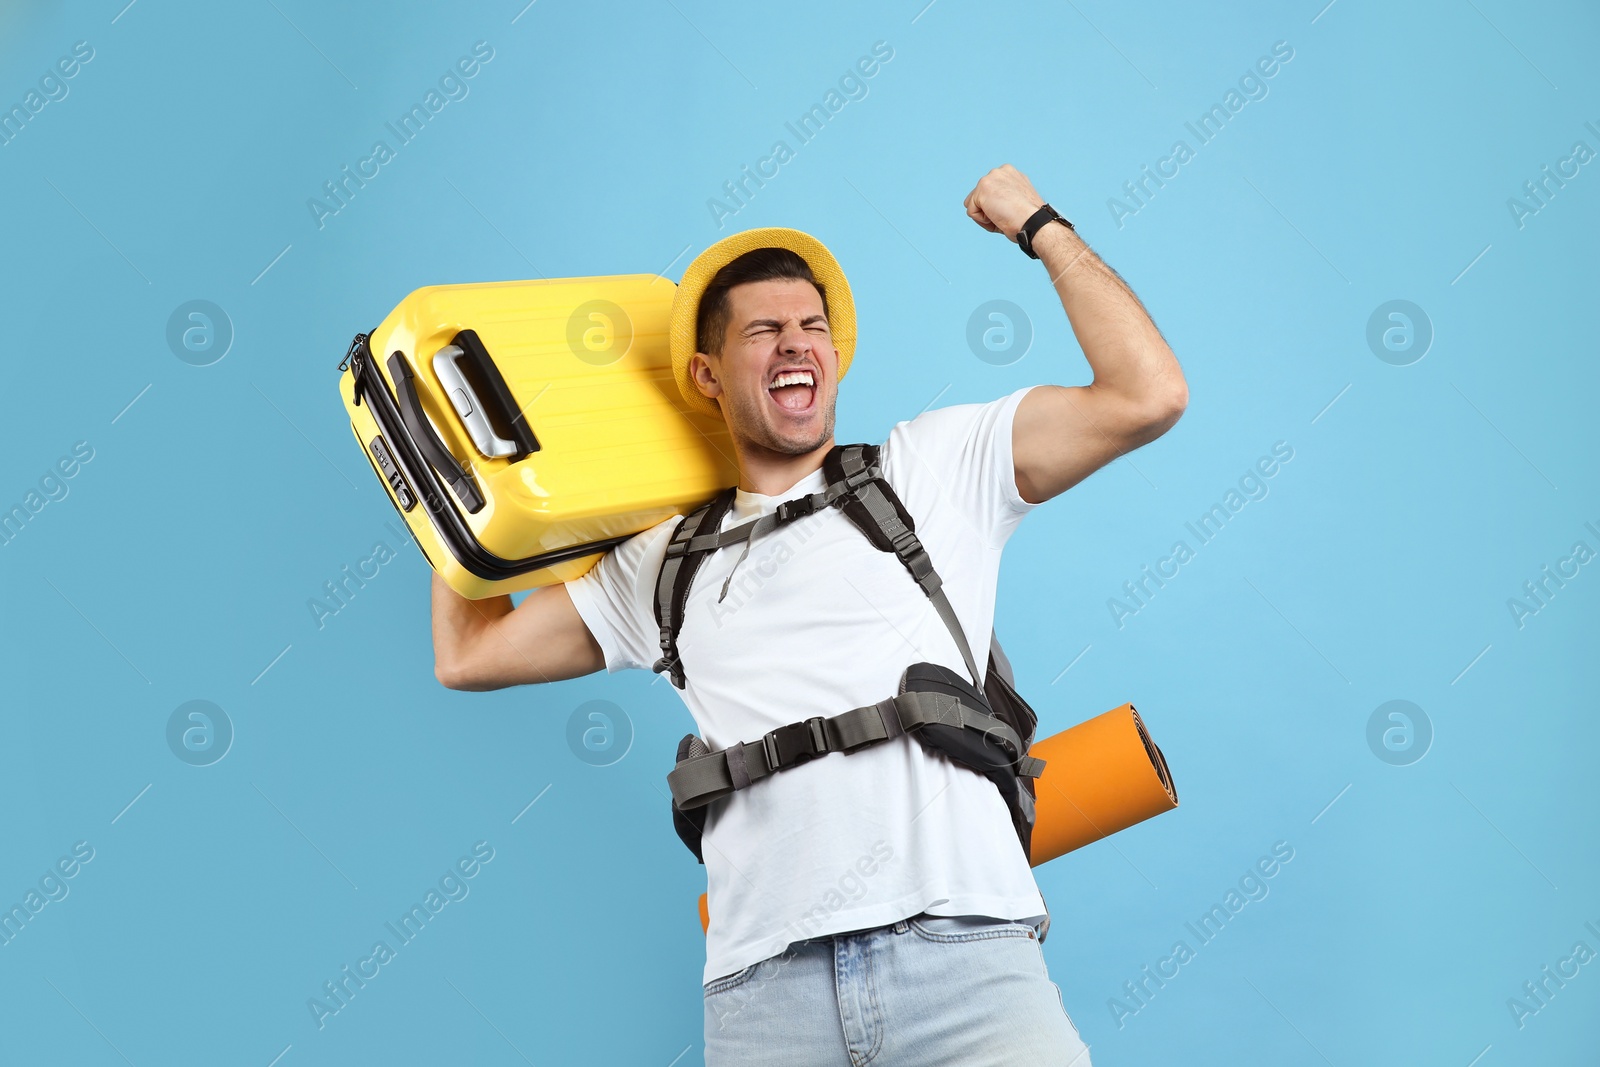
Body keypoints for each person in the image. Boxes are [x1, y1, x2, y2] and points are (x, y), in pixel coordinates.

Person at [430, 164, 1187, 1065]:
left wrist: (1040, 224)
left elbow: (1148, 394)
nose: (797, 344)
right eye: (765, 331)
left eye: (812, 327)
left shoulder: (933, 470)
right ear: (708, 374)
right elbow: (468, 654)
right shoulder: (662, 563)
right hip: (764, 997)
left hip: (966, 959)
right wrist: (456, 471)